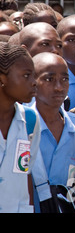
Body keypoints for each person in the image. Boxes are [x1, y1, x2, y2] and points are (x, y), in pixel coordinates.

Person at [30, 52, 75, 212]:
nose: (59, 87)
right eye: (49, 79)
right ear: (32, 82)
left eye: (65, 79)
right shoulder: (22, 123)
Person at [0, 42, 40, 212]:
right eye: (26, 76)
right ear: (2, 79)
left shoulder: (30, 120)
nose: (34, 82)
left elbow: (25, 173)